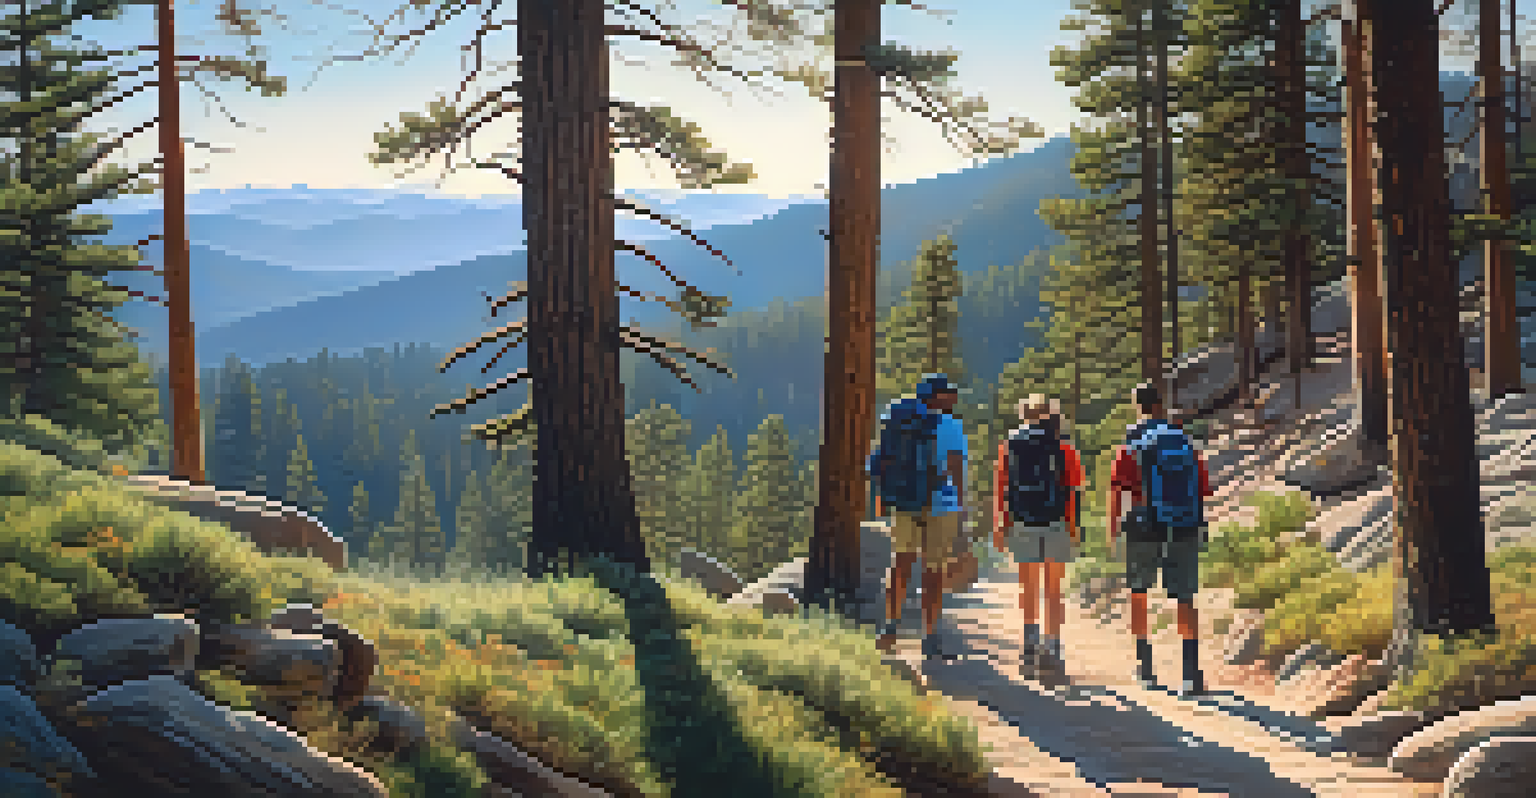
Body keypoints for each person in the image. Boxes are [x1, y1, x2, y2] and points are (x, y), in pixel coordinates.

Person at [1107, 382, 1215, 696]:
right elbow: (1203, 489)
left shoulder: (1131, 445)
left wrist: (1114, 531)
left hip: (1144, 525)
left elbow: (1118, 491)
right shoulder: (1184, 443)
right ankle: (1191, 674)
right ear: (1160, 404)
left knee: (1139, 594)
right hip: (1184, 524)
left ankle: (1146, 669)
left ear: (1136, 405)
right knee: (1184, 598)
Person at [870, 374, 968, 660]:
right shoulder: (949, 424)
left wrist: (883, 497)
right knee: (933, 570)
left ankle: (890, 628)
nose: (953, 397)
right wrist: (961, 507)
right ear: (937, 396)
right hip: (940, 502)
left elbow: (881, 460)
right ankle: (930, 636)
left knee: (900, 563)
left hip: (903, 501)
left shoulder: (897, 419)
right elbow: (955, 466)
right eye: (948, 393)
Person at [994, 394, 1084, 681]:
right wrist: (1073, 525)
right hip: (1056, 520)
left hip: (1021, 520)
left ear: (1024, 415)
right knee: (1053, 589)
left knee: (1028, 587)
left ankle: (1029, 647)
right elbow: (1073, 488)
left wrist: (1001, 524)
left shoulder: (1010, 446)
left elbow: (1002, 487)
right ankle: (1054, 647)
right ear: (1051, 415)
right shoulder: (1064, 446)